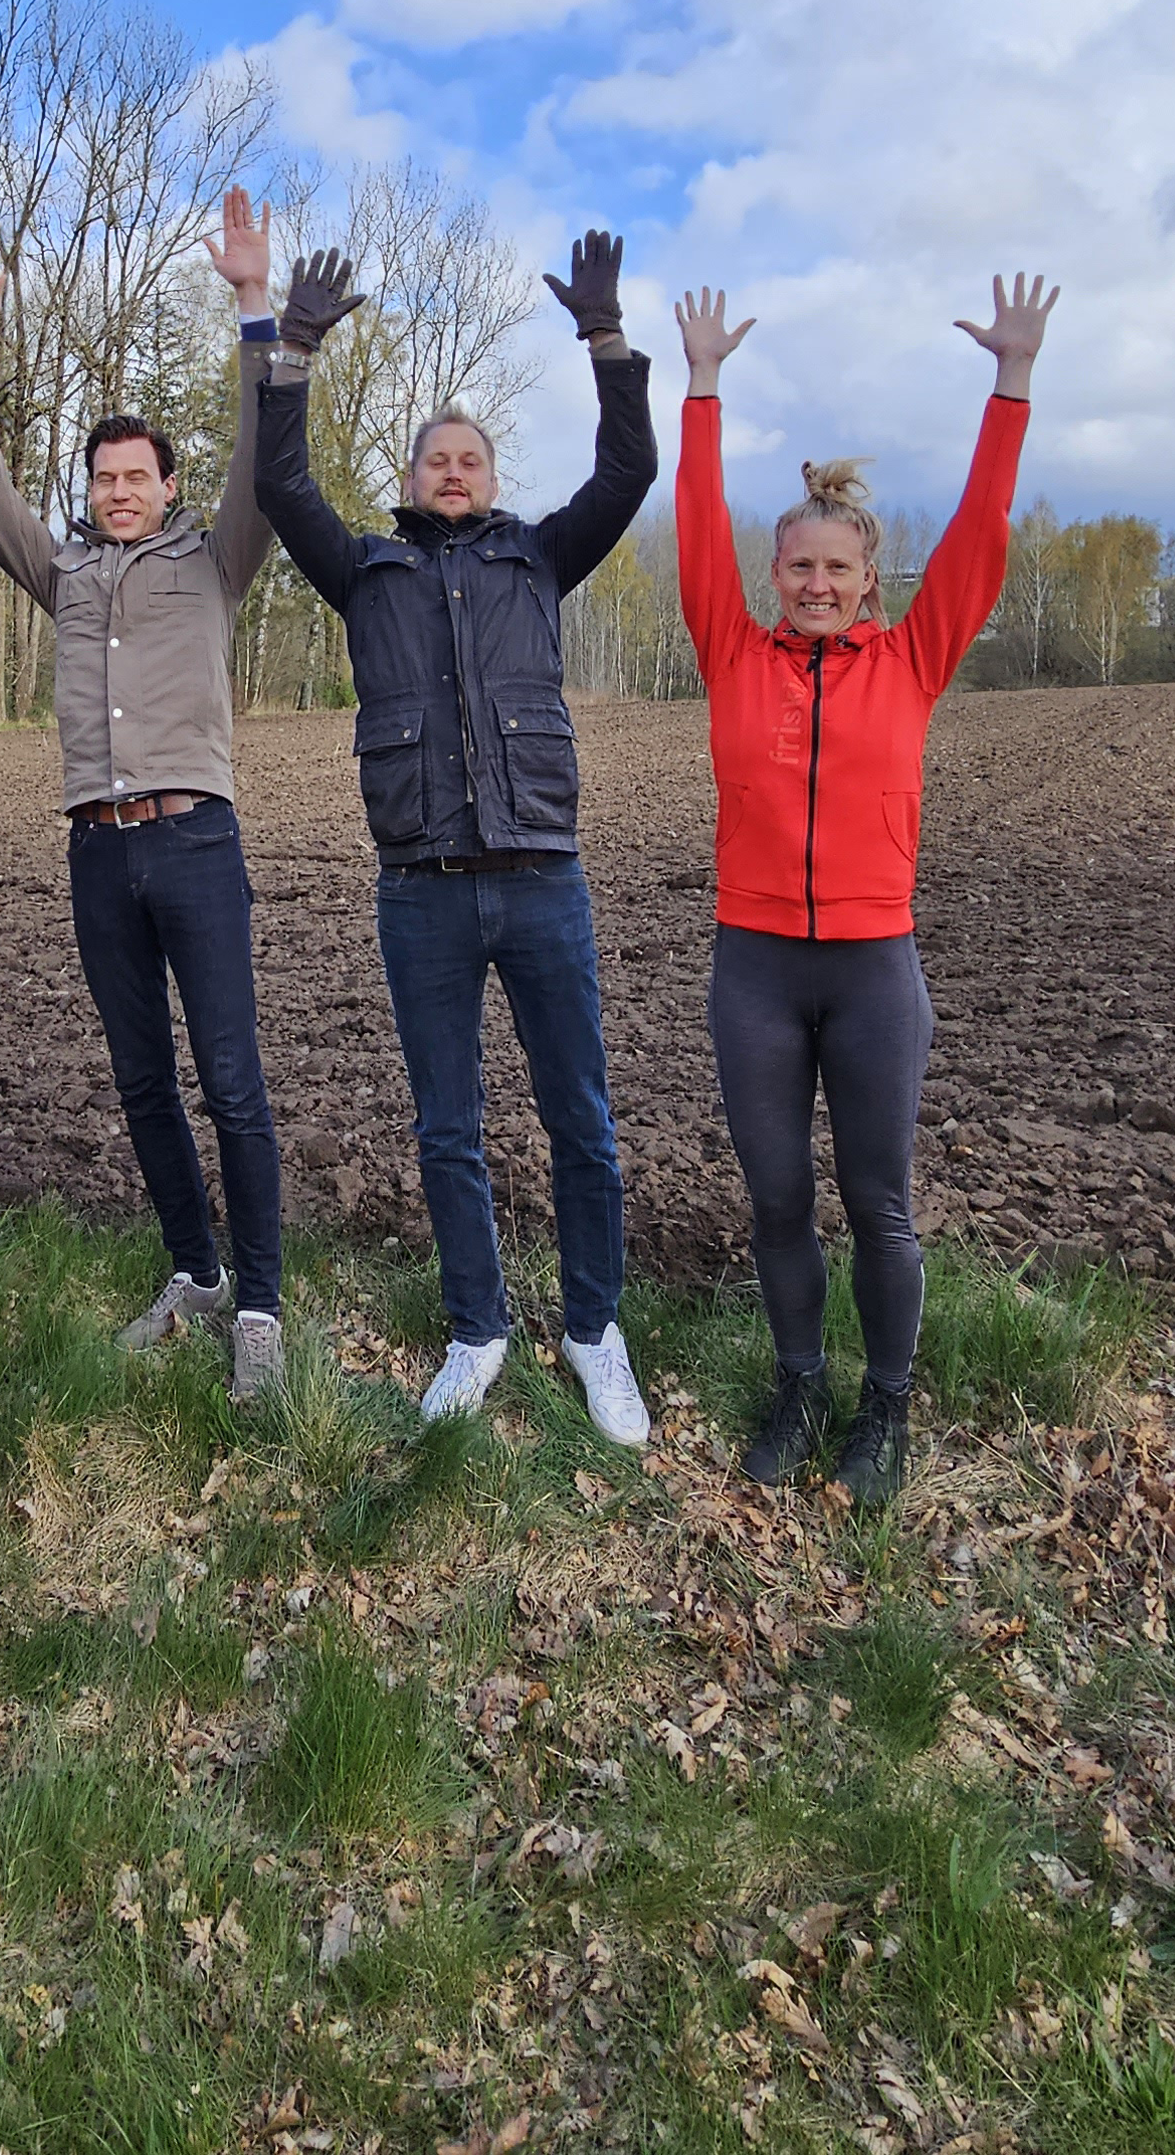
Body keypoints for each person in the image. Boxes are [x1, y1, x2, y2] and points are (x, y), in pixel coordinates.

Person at [251, 229, 661, 1444]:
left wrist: (605, 338)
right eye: (434, 457)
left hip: (542, 880)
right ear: (412, 475)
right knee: (447, 1126)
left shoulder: (538, 557)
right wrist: (296, 346)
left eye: (468, 457)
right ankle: (476, 1327)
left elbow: (628, 472)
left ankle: (595, 1333)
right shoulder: (363, 572)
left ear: (490, 477)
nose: (451, 470)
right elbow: (281, 488)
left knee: (579, 1115)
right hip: (420, 890)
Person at [671, 272, 1057, 1502]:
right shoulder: (732, 652)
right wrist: (700, 387)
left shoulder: (913, 659)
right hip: (757, 968)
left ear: (867, 579)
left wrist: (1011, 383)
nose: (817, 585)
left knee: (878, 1204)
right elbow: (691, 520)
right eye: (798, 568)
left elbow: (981, 540)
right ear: (772, 574)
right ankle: (799, 1386)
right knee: (778, 1198)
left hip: (875, 970)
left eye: (838, 568)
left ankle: (885, 1410)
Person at [0, 196, 294, 1404]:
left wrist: (252, 310)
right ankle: (190, 1271)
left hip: (196, 842)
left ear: (168, 483)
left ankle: (258, 1299)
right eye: (101, 479)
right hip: (97, 853)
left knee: (231, 1080)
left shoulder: (215, 560)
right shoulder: (67, 574)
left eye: (135, 478)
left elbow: (264, 460)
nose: (116, 493)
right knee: (141, 1079)